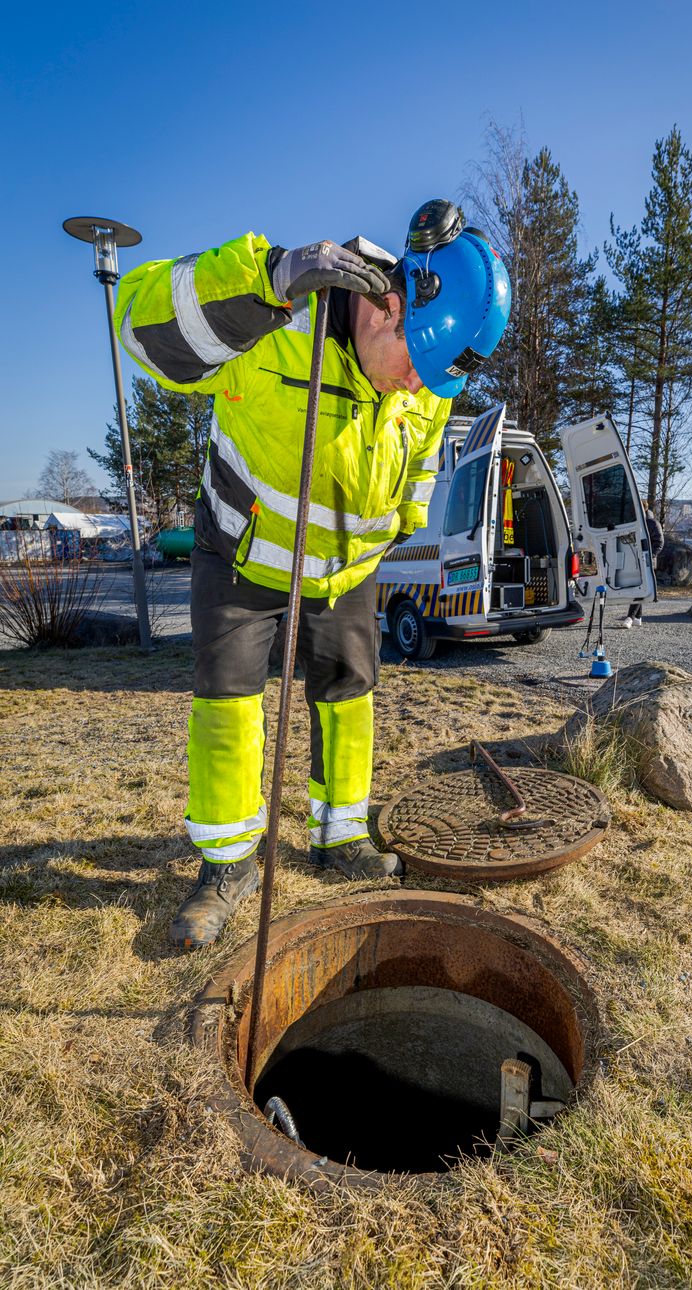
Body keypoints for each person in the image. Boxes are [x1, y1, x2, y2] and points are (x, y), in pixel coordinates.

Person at [115, 200, 511, 949]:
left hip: (348, 570)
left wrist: (399, 520)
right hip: (244, 556)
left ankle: (339, 837)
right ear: (389, 309)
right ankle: (229, 866)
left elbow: (423, 460)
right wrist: (262, 281)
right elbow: (137, 325)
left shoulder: (429, 380)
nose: (415, 389)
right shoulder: (279, 321)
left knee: (349, 697)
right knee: (230, 706)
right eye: (414, 368)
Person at [621, 506, 664, 627]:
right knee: (638, 586)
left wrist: (649, 556)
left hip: (647, 561)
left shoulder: (652, 523)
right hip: (636, 560)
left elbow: (659, 543)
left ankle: (630, 617)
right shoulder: (637, 522)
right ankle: (637, 617)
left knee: (639, 588)